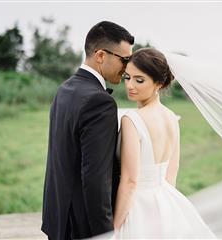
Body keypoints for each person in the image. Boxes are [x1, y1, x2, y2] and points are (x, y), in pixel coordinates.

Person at [41, 21, 134, 239]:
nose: (128, 67)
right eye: (125, 59)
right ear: (101, 55)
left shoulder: (64, 89)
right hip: (82, 227)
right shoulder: (100, 102)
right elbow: (96, 180)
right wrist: (105, 234)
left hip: (57, 218)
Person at [113, 48, 217, 238]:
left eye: (139, 80)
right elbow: (172, 169)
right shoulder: (171, 117)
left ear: (159, 84)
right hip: (166, 200)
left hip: (138, 205)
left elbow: (130, 181)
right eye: (127, 77)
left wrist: (115, 226)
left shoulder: (132, 119)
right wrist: (167, 208)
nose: (129, 85)